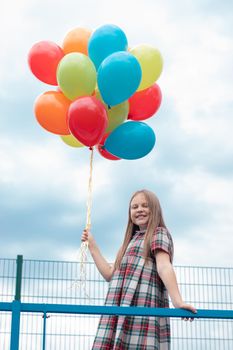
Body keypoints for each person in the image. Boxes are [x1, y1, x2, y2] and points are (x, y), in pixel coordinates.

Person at [81, 189, 196, 349]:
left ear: (154, 210)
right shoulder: (128, 242)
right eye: (134, 207)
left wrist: (178, 301)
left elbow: (164, 266)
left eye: (145, 205)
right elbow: (109, 273)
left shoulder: (158, 233)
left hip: (142, 308)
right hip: (120, 309)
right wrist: (92, 246)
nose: (139, 209)